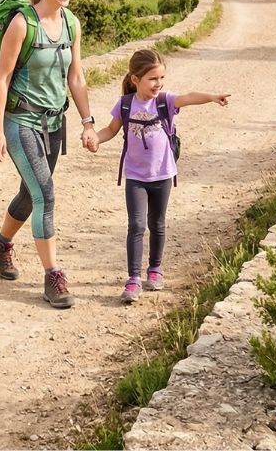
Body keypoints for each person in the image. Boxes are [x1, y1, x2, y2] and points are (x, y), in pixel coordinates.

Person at [0, 0, 98, 309]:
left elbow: (75, 76)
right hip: (21, 122)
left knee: (30, 192)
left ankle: (0, 246)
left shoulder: (72, 24)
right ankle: (53, 276)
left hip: (54, 123)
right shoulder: (23, 23)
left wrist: (87, 121)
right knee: (45, 195)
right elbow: (2, 79)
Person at [92, 48, 229, 304]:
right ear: (135, 79)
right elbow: (110, 130)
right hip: (135, 176)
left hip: (163, 174)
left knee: (158, 223)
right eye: (153, 79)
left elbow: (188, 97)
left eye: (161, 78)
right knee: (136, 225)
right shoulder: (125, 104)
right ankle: (133, 279)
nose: (159, 84)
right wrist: (95, 139)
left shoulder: (164, 101)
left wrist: (212, 97)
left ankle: (155, 269)